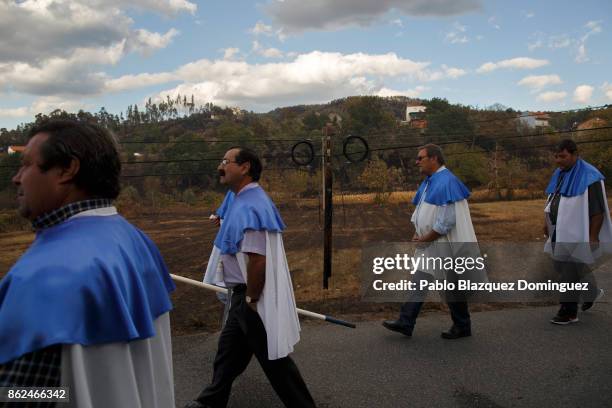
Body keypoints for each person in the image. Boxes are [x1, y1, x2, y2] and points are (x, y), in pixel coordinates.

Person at [0, 120, 176, 407]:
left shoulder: (44, 275)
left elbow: (28, 394)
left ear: (68, 169)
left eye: (26, 165)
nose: (17, 178)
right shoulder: (135, 239)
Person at [185, 147, 315, 408]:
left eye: (226, 161)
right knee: (228, 353)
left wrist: (252, 298)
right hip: (242, 295)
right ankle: (211, 401)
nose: (220, 167)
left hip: (251, 295)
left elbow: (258, 259)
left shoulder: (252, 205)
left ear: (244, 167)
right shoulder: (241, 200)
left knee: (275, 362)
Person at [382, 144, 479, 339]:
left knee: (450, 285)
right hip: (432, 243)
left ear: (434, 159)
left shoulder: (446, 181)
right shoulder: (431, 181)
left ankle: (461, 325)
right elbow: (425, 212)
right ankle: (406, 322)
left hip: (443, 243)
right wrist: (419, 232)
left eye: (421, 158)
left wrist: (425, 238)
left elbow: (446, 222)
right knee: (422, 281)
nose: (417, 162)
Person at [544, 139, 612, 324]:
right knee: (560, 266)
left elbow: (597, 210)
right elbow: (553, 199)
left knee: (569, 271)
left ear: (575, 154)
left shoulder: (590, 176)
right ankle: (591, 292)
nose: (558, 160)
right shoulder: (559, 173)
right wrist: (547, 222)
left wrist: (592, 236)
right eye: (556, 156)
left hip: (578, 232)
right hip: (559, 230)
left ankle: (568, 312)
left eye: (563, 156)